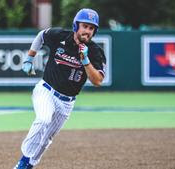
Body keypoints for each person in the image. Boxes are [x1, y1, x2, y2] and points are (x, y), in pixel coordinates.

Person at [13, 8, 106, 169]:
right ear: (76, 25)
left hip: (67, 102)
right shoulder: (60, 36)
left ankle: (29, 165)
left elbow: (97, 81)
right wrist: (29, 58)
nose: (87, 31)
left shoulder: (95, 52)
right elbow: (41, 35)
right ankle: (23, 162)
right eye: (84, 26)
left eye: (91, 28)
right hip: (46, 91)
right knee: (43, 119)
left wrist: (85, 60)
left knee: (47, 138)